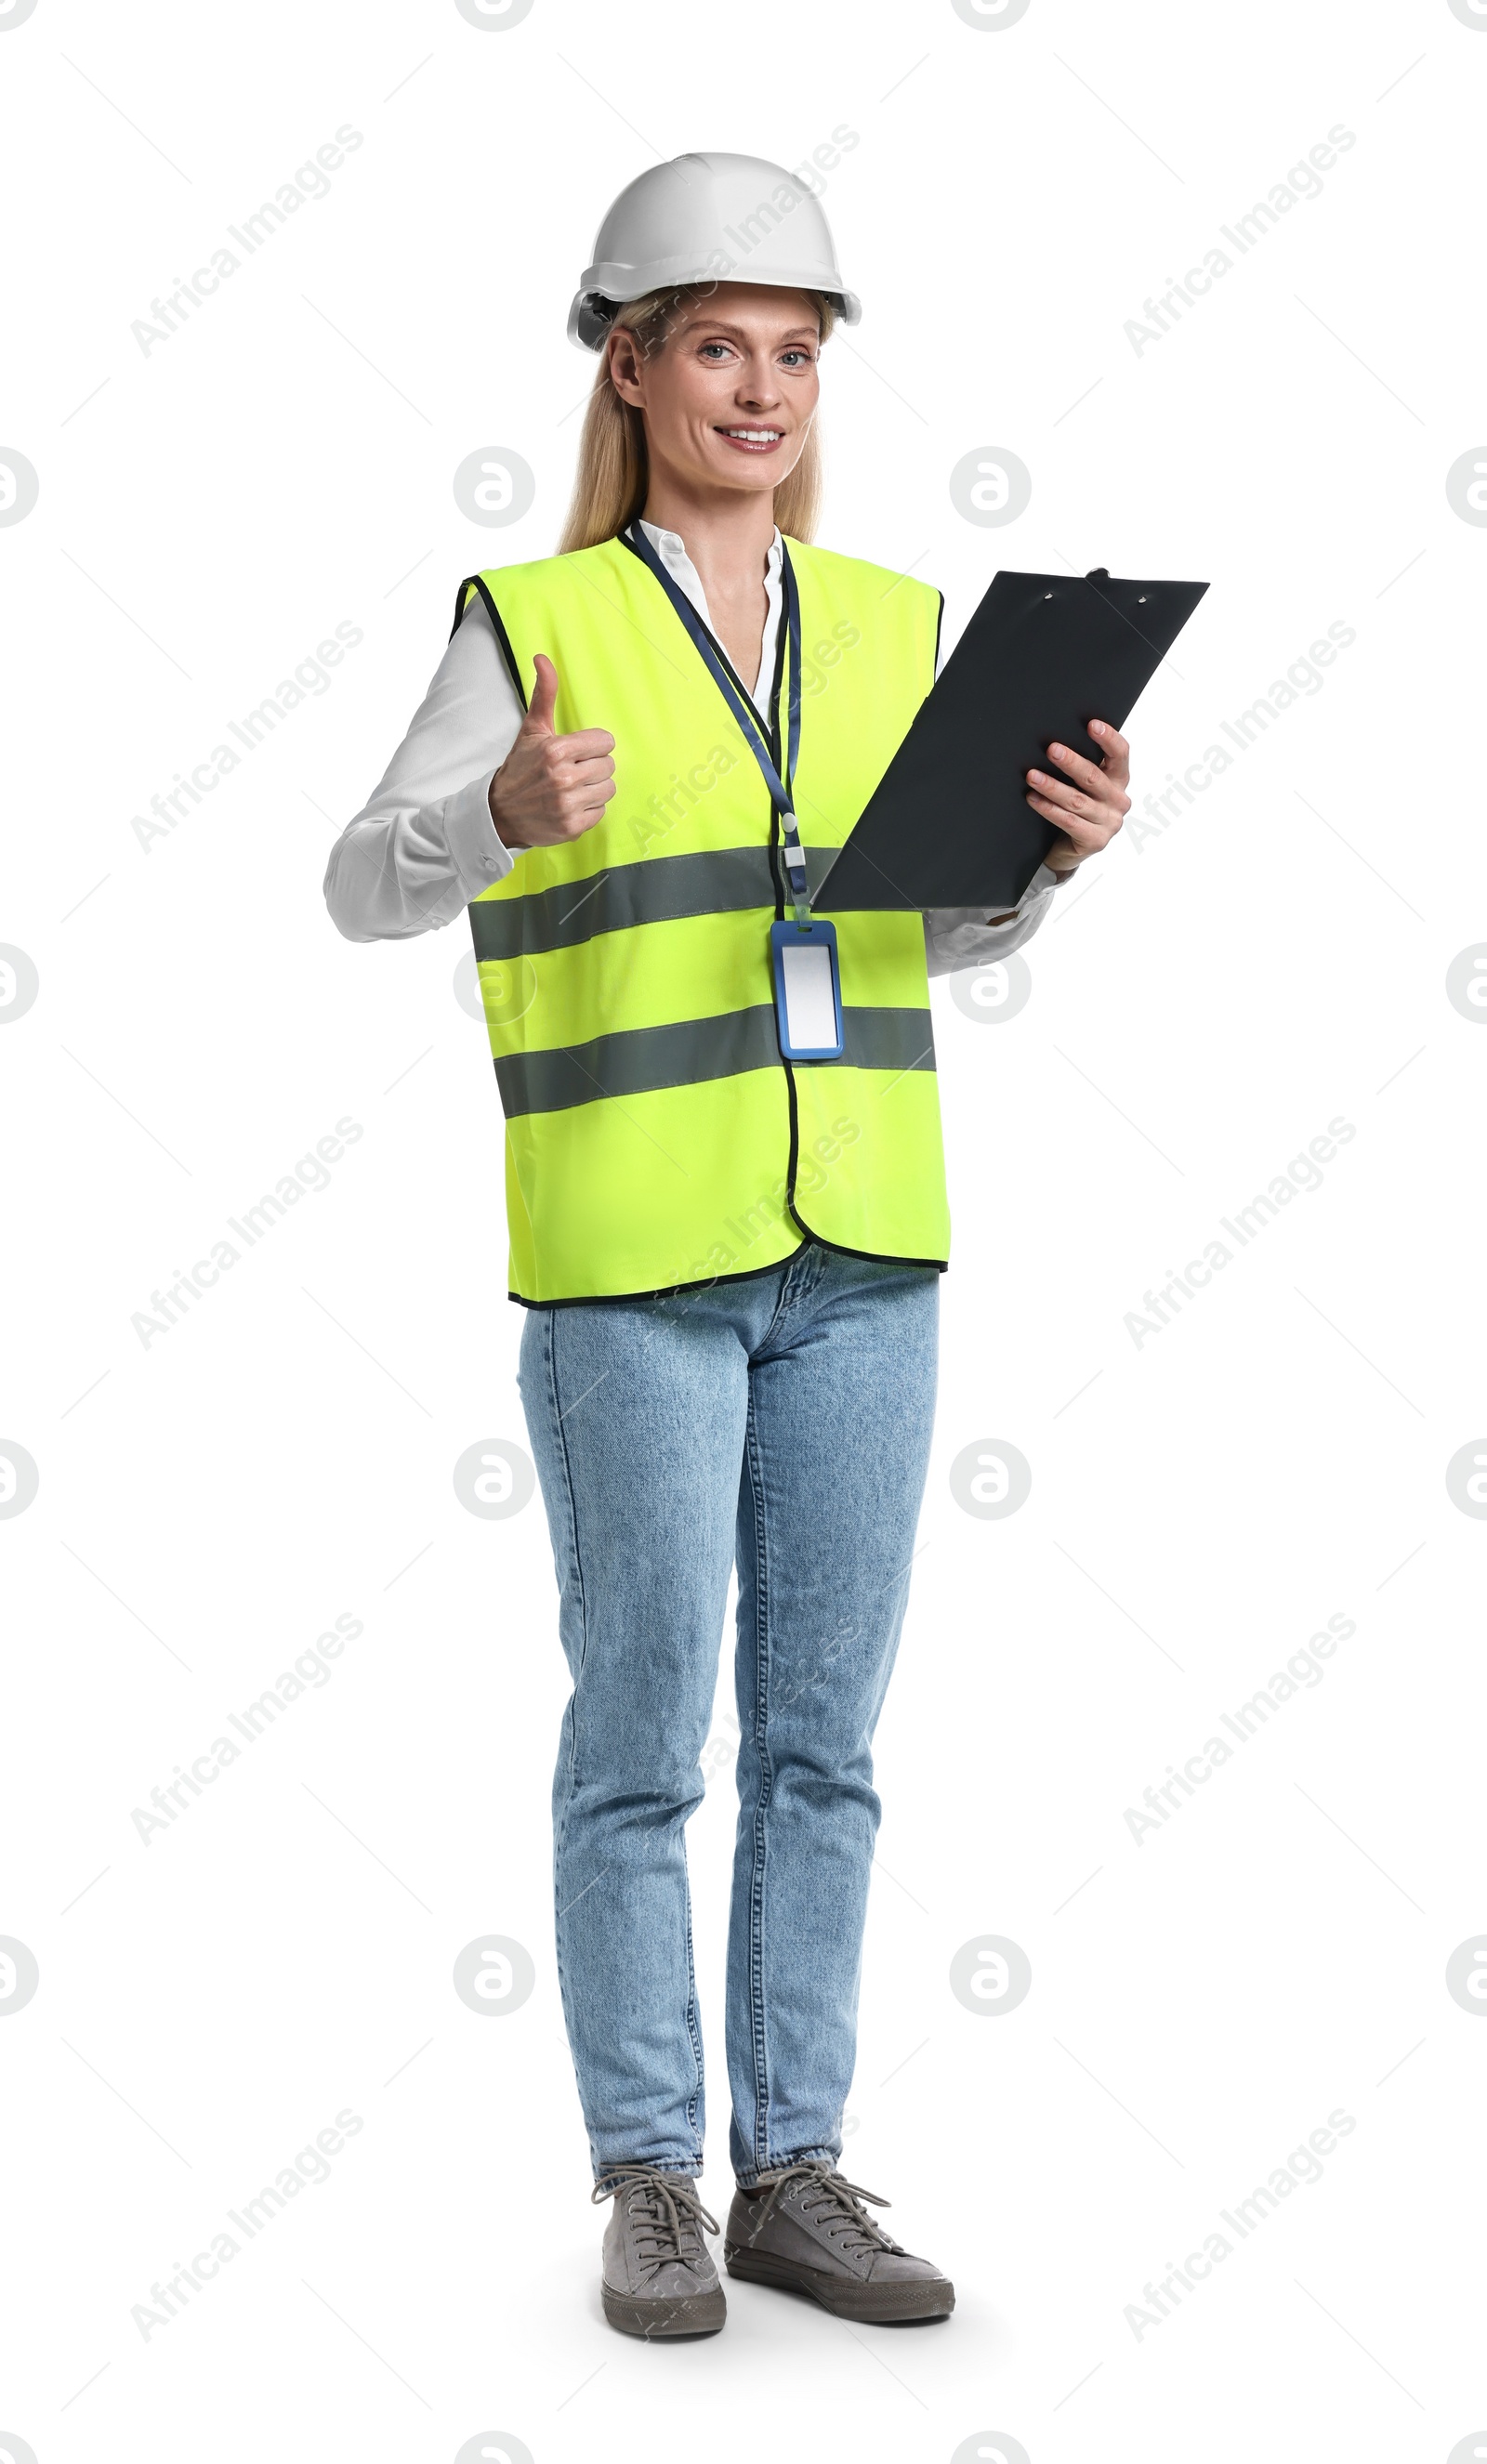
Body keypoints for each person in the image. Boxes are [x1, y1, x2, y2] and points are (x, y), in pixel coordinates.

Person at [323, 151, 1130, 2339]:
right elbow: (358, 886)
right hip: (633, 1266)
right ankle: (645, 2178)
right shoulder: (538, 620)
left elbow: (921, 931)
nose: (759, 388)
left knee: (824, 1741)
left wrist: (1042, 864)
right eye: (715, 346)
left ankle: (794, 2168)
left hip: (861, 1249)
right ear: (632, 364)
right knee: (639, 1739)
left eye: (793, 350)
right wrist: (486, 819)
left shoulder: (886, 622)